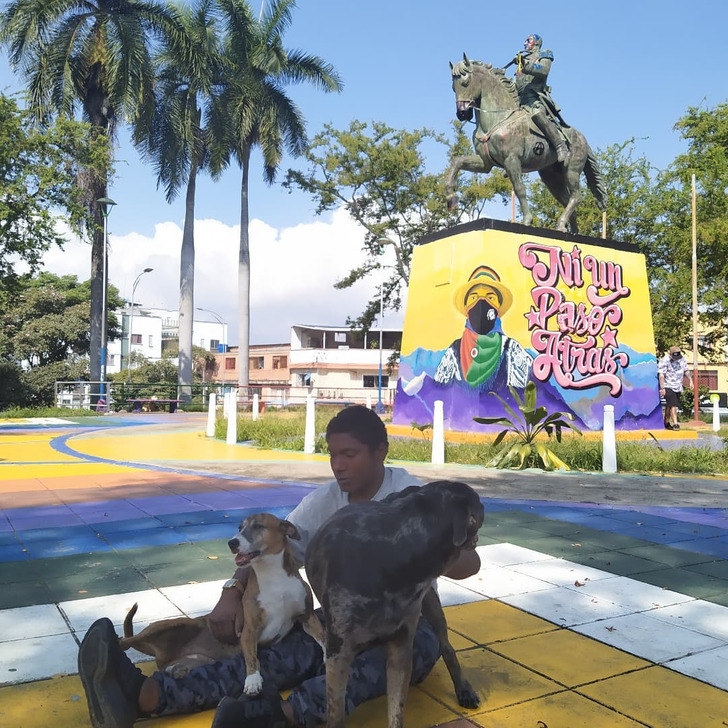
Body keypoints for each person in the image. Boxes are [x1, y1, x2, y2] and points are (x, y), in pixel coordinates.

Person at [77, 405, 481, 728]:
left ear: (381, 452)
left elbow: (470, 562)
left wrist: (428, 552)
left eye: (349, 454)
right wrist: (233, 591)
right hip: (347, 618)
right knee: (283, 652)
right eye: (333, 455)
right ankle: (145, 695)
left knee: (377, 664)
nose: (338, 465)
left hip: (412, 622)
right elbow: (271, 544)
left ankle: (279, 716)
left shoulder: (412, 497)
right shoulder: (327, 501)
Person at [434, 265, 532, 390]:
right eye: (474, 298)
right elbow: (438, 391)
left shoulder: (512, 350)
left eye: (490, 297)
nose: (481, 303)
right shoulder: (454, 350)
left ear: (498, 307)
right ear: (466, 307)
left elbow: (525, 396)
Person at [509, 33, 569, 164]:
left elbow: (543, 71)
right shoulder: (521, 63)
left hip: (536, 100)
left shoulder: (544, 54)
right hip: (521, 103)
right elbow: (516, 83)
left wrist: (523, 63)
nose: (525, 43)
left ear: (536, 43)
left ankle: (560, 146)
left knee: (537, 114)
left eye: (528, 40)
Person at [657, 345, 692, 430]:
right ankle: (676, 424)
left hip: (678, 385)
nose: (676, 359)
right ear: (670, 354)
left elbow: (686, 370)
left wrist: (690, 380)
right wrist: (662, 388)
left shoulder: (682, 359)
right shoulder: (664, 360)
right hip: (668, 385)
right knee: (673, 405)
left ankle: (666, 422)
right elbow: (661, 375)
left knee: (669, 405)